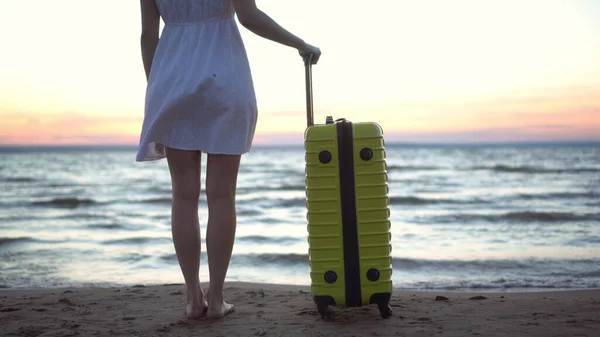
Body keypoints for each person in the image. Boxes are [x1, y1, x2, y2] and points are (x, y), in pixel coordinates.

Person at [137, 0, 321, 320]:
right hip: (225, 78)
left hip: (171, 79)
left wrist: (157, 86)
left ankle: (194, 298)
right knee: (222, 196)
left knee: (183, 194)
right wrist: (300, 44)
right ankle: (217, 298)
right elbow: (249, 16)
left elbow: (147, 36)